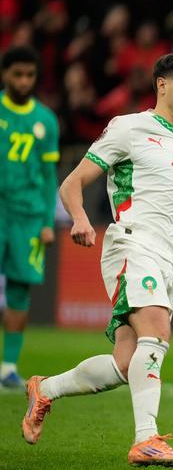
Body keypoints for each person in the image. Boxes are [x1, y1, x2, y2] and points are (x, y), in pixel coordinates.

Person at [21, 52, 173, 467]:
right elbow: (72, 182)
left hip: (171, 257)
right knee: (157, 329)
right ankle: (146, 439)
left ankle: (45, 389)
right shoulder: (128, 129)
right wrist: (79, 218)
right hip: (132, 244)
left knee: (127, 363)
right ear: (161, 85)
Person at [0, 46, 60, 389]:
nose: (23, 81)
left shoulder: (46, 120)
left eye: (29, 75)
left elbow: (49, 174)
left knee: (20, 290)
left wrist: (48, 222)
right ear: (5, 74)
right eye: (17, 74)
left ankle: (8, 366)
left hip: (28, 216)